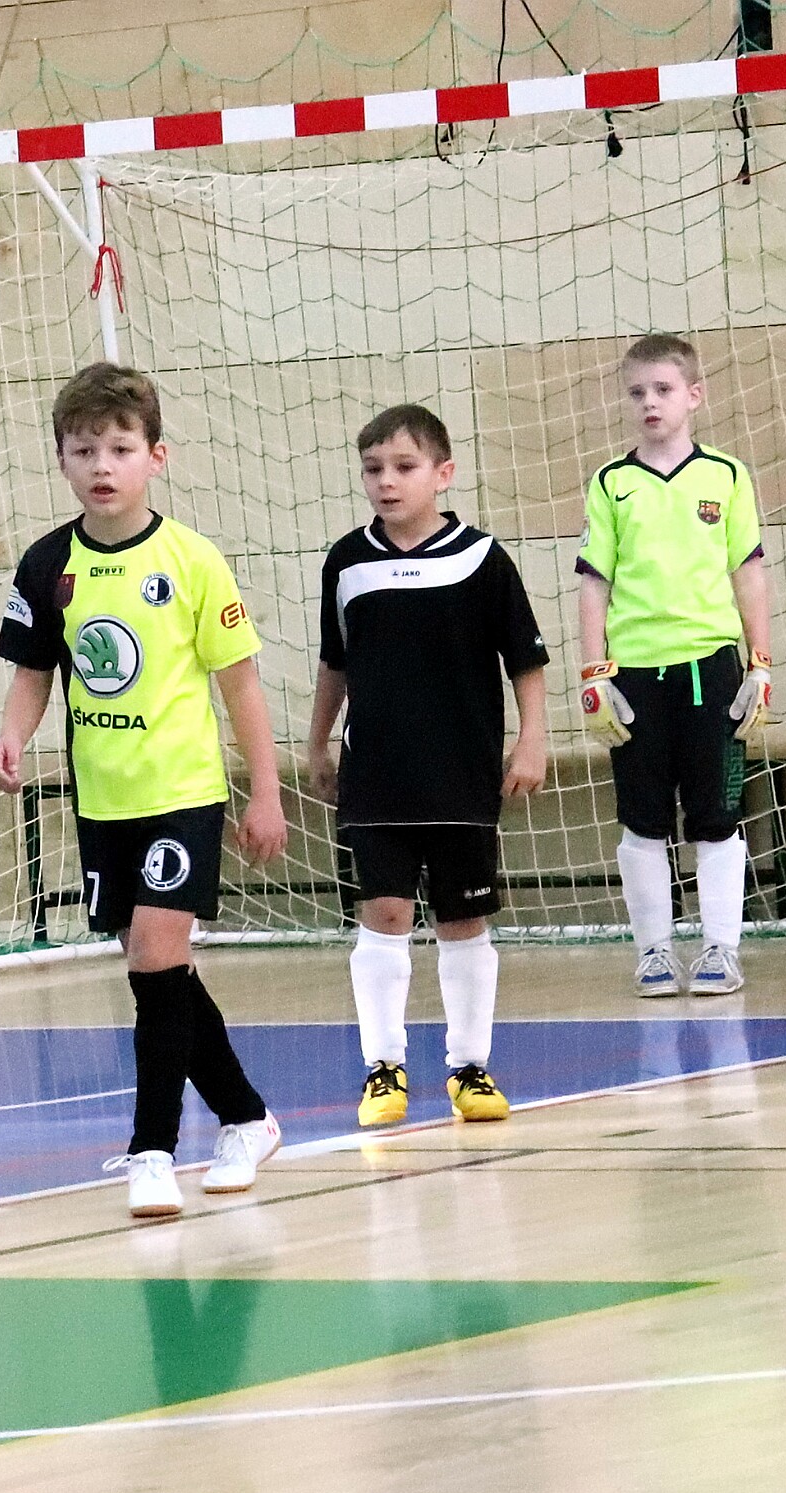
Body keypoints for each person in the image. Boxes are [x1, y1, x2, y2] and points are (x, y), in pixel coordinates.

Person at [0, 362, 288, 1221]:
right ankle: (247, 1117)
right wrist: (12, 733)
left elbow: (240, 684)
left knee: (155, 958)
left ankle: (153, 1149)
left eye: (120, 448)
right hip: (103, 800)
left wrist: (264, 792)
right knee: (161, 972)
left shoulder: (192, 560)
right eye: (84, 449)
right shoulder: (48, 563)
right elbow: (34, 671)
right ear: (61, 458)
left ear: (156, 456)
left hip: (181, 792)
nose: (102, 465)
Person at [306, 406, 549, 1128]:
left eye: (404, 467)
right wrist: (317, 743)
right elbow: (335, 663)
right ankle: (383, 1067)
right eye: (373, 469)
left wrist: (532, 739)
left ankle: (469, 1065)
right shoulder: (347, 561)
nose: (387, 481)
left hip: (462, 774)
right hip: (377, 774)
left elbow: (526, 661)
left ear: (443, 474)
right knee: (382, 912)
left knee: (462, 918)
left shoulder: (483, 559)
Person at [577, 333, 772, 996]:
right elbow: (594, 583)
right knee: (642, 819)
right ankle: (654, 951)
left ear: (694, 395)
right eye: (637, 392)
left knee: (717, 814)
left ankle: (721, 948)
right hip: (634, 676)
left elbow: (748, 572)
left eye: (663, 389)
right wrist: (594, 673)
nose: (649, 402)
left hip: (711, 670)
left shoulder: (727, 476)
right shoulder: (612, 483)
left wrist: (760, 663)